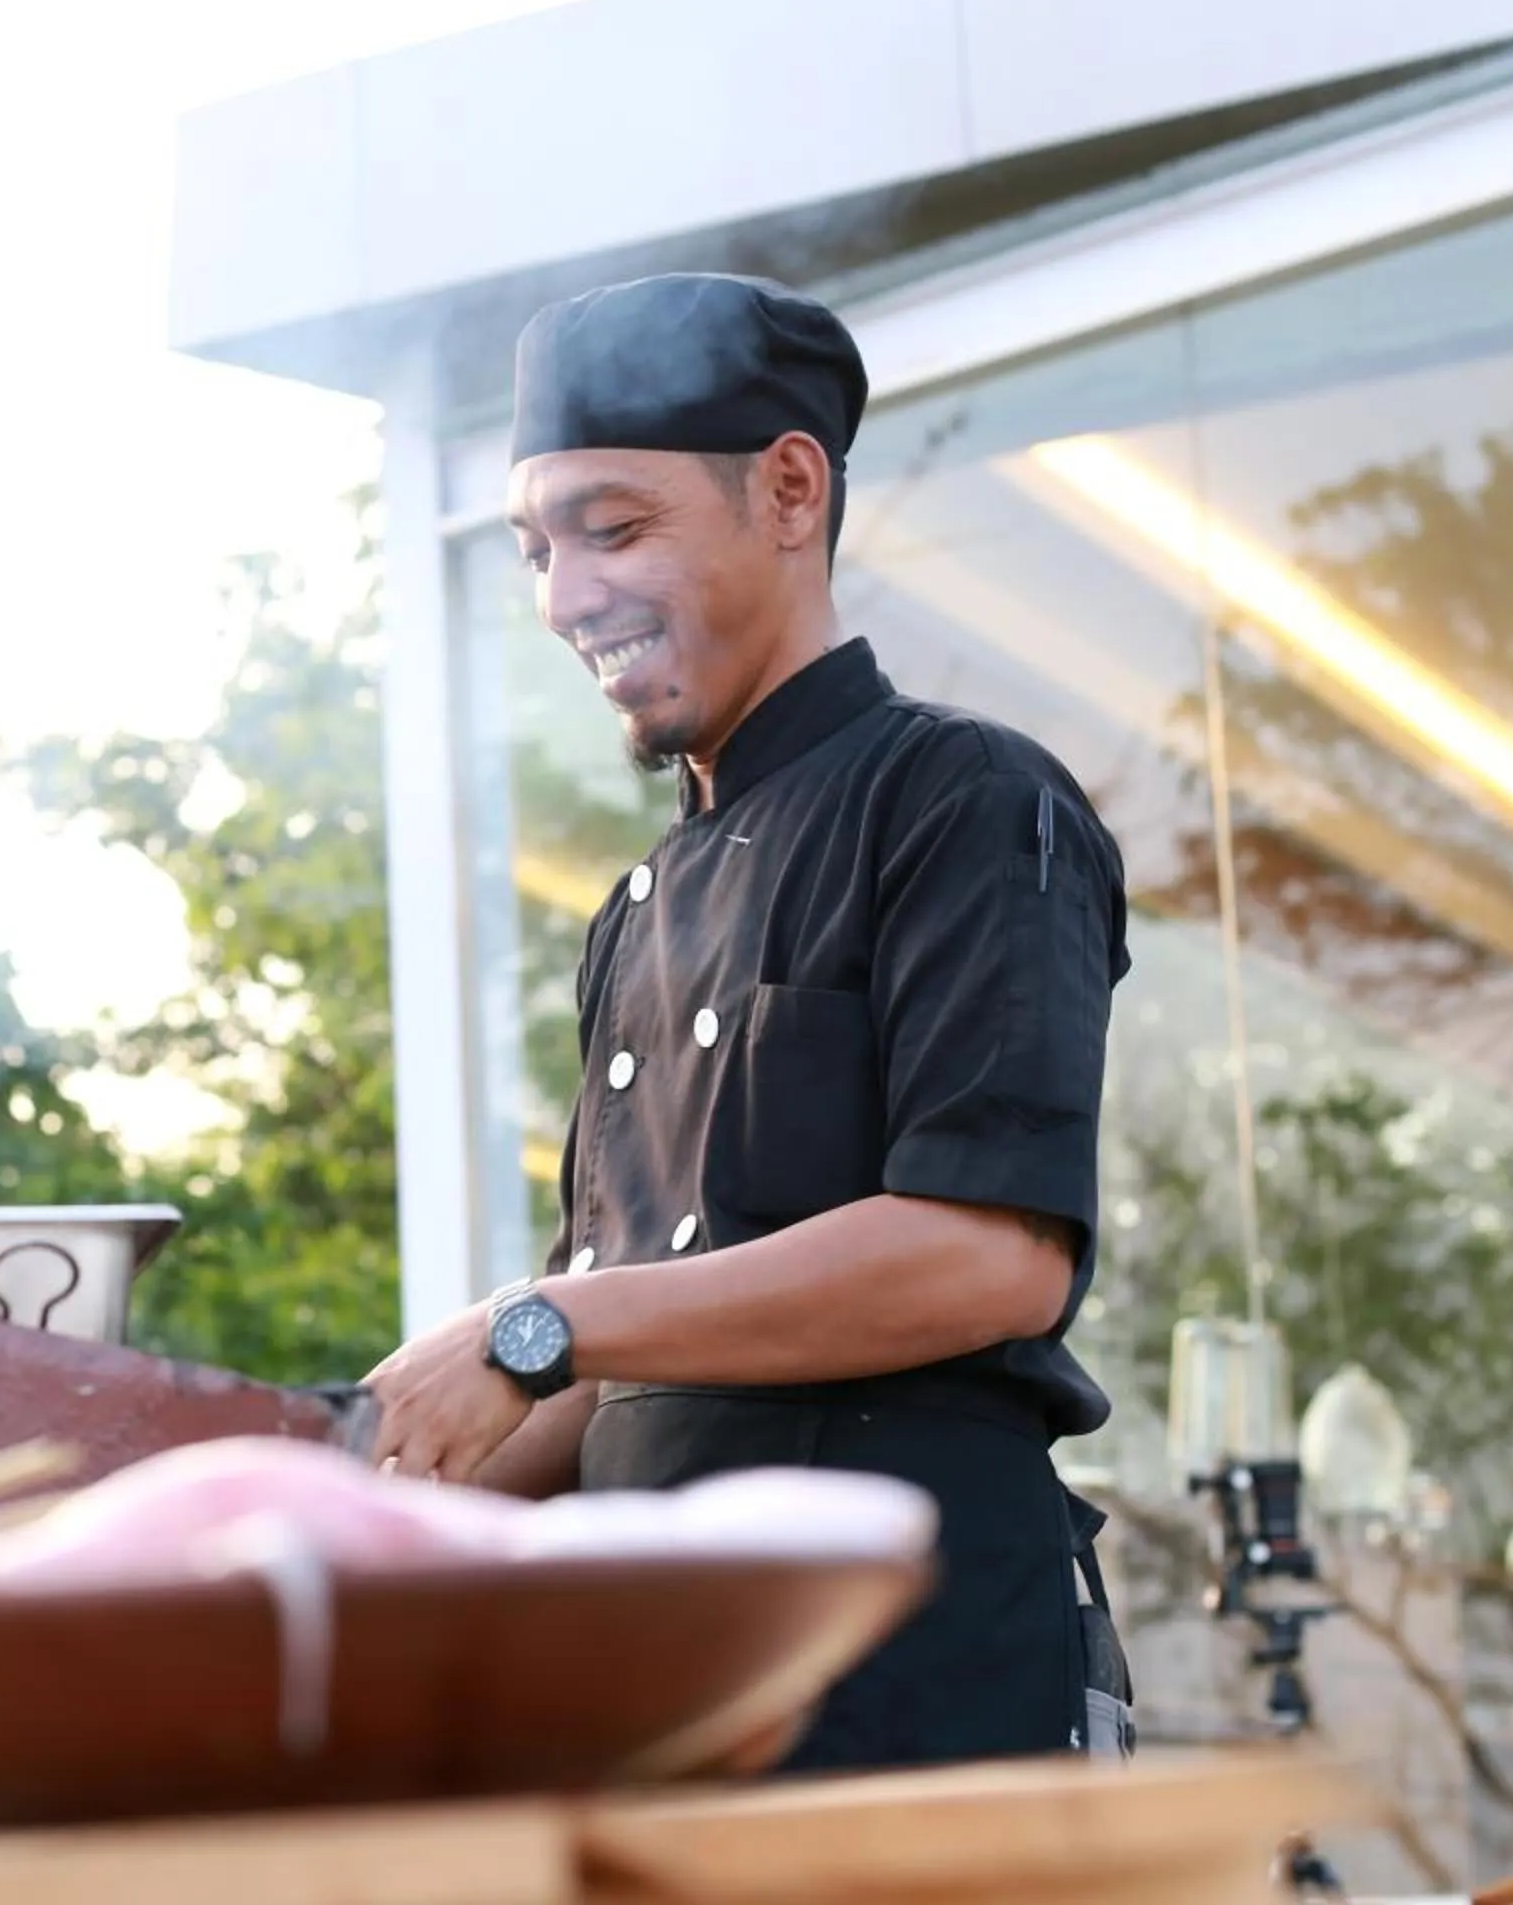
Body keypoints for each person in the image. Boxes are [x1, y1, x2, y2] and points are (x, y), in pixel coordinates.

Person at [361, 271, 1136, 1775]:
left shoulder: (963, 795)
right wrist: (342, 1515)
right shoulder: (634, 910)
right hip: (663, 1692)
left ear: (789, 490)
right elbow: (614, 1373)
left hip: (913, 1680)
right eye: (537, 550)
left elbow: (991, 1255)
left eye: (611, 526)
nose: (564, 597)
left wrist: (534, 1326)